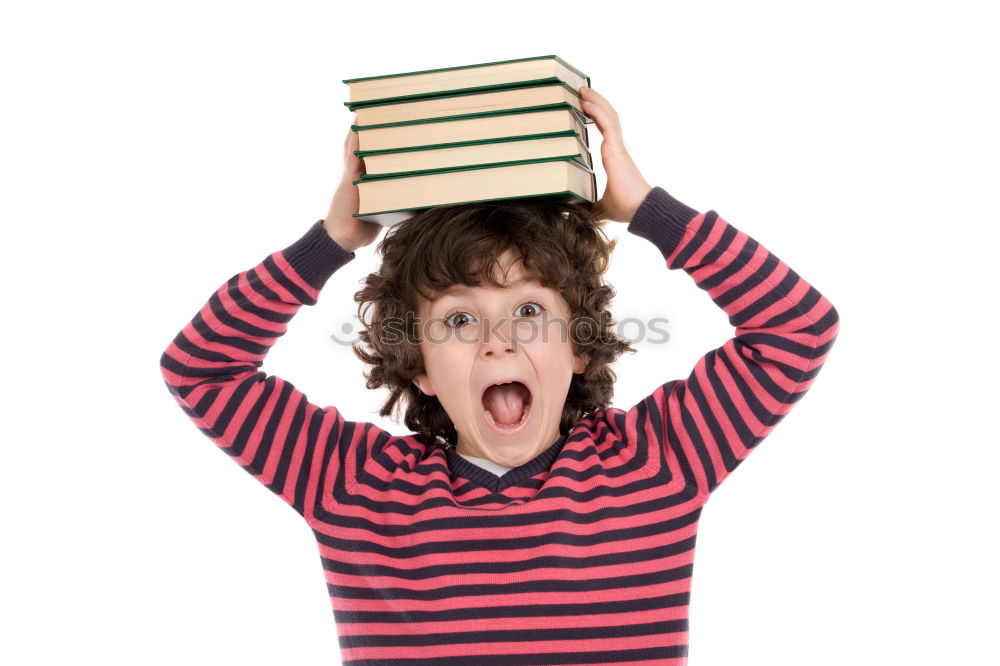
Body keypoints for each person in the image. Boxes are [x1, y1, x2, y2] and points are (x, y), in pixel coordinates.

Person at [159, 86, 840, 665]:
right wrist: (330, 242)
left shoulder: (656, 461)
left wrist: (648, 210)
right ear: (419, 368)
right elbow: (201, 370)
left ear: (578, 346)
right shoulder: (356, 489)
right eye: (458, 321)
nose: (496, 342)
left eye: (529, 310)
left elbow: (798, 330)